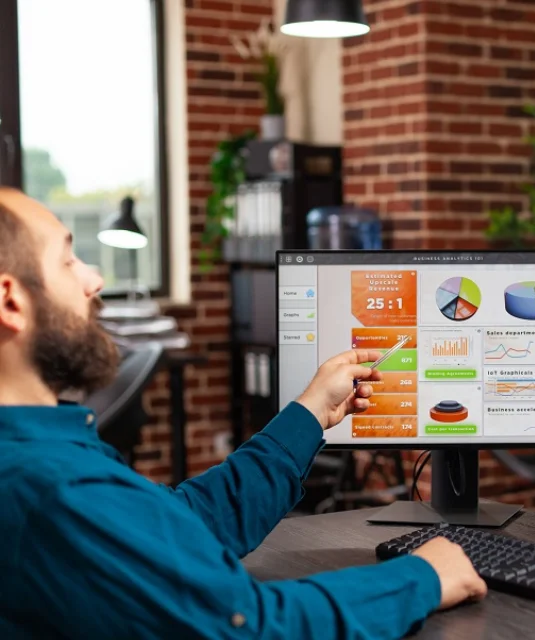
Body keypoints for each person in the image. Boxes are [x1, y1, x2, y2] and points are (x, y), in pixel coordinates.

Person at [0, 186, 487, 637]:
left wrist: (310, 412)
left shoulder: (43, 455)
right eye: (67, 260)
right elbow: (247, 628)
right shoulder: (54, 490)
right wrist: (422, 577)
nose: (93, 277)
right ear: (11, 300)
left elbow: (185, 523)